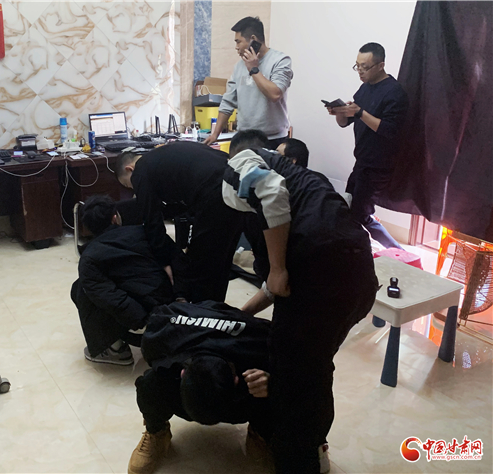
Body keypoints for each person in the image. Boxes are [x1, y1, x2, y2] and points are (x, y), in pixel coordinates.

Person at [223, 130, 379, 473]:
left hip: (318, 279)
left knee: (293, 382)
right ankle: (315, 447)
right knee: (314, 368)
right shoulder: (309, 180)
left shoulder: (241, 161)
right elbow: (279, 285)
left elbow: (269, 193)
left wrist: (277, 267)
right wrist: (244, 312)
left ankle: (298, 460)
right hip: (358, 281)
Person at [128, 301, 278, 474]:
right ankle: (157, 432)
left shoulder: (263, 345)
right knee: (149, 385)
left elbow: (299, 380)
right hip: (188, 333)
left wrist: (273, 382)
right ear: (182, 372)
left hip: (240, 349)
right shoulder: (160, 336)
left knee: (271, 390)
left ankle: (259, 433)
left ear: (236, 379)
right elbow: (153, 362)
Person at [116, 141, 250, 303]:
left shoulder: (140, 170)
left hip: (214, 192)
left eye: (128, 184)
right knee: (221, 257)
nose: (133, 189)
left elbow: (151, 219)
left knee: (201, 262)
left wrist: (163, 261)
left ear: (129, 169)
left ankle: (202, 311)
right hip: (237, 182)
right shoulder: (161, 156)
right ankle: (216, 307)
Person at [71, 195, 182, 365]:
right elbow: (179, 261)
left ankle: (116, 350)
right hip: (177, 308)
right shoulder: (145, 232)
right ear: (115, 217)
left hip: (148, 322)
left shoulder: (89, 257)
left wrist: (144, 322)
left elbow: (110, 297)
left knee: (81, 288)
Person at [327, 42, 408, 249]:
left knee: (360, 214)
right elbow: (346, 123)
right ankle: (367, 250)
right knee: (349, 207)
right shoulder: (365, 88)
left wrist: (360, 112)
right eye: (357, 66)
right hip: (362, 161)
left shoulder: (394, 92)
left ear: (381, 65)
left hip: (380, 165)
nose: (360, 71)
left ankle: (397, 252)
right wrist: (339, 113)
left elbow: (389, 130)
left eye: (365, 67)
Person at [203, 16, 293, 150]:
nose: (236, 47)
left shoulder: (280, 61)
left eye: (238, 42)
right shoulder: (239, 66)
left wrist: (253, 69)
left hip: (273, 139)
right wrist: (215, 134)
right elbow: (228, 102)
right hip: (245, 139)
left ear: (253, 39)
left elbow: (275, 94)